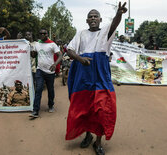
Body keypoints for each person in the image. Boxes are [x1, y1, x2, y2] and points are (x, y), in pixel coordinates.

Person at [65, 2, 127, 155]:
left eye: (95, 16)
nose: (93, 18)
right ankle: (87, 135)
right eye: (90, 17)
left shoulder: (106, 32)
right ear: (87, 20)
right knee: (85, 109)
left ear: (100, 19)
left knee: (102, 108)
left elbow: (114, 24)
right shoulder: (81, 33)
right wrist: (80, 59)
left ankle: (98, 143)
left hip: (100, 75)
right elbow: (69, 49)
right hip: (83, 76)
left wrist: (119, 14)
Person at [29, 29, 62, 117]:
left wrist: (55, 64)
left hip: (50, 71)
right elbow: (34, 55)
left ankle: (51, 105)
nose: (43, 35)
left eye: (44, 33)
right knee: (38, 89)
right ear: (39, 35)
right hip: (40, 70)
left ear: (47, 34)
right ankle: (35, 110)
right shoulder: (37, 44)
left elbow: (60, 55)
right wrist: (32, 52)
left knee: (50, 89)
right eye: (41, 33)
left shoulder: (52, 44)